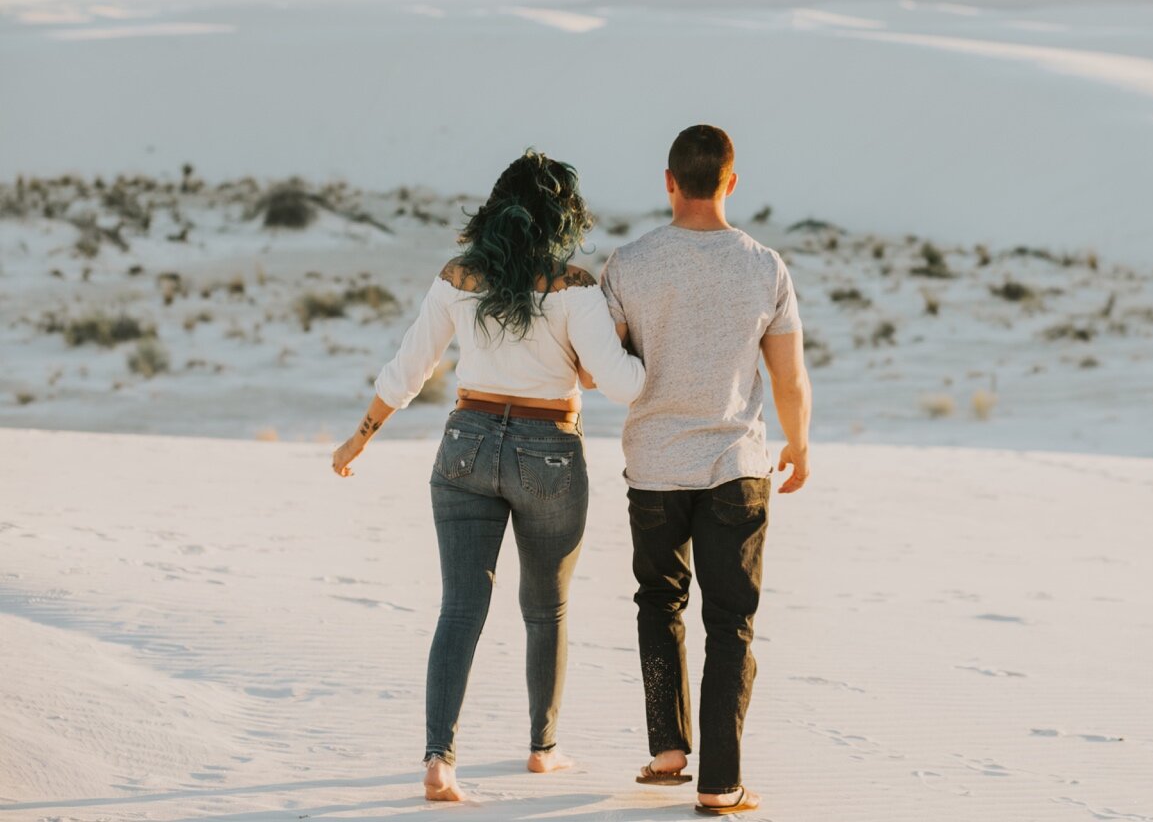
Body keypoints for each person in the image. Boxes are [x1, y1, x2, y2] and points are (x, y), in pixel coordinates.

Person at [329, 149, 644, 802]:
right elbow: (621, 385)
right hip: (547, 449)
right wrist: (647, 350)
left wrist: (359, 438)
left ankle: (439, 759)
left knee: (461, 607)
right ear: (563, 218)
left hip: (465, 444)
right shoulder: (575, 287)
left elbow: (410, 367)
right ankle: (542, 748)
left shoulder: (458, 277)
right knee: (546, 605)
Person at [600, 124, 812, 816]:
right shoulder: (764, 266)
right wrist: (799, 443)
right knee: (730, 623)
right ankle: (721, 784)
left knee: (659, 602)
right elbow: (789, 377)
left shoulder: (628, 265)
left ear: (668, 181)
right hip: (735, 466)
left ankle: (668, 751)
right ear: (731, 181)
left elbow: (606, 365)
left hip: (654, 464)